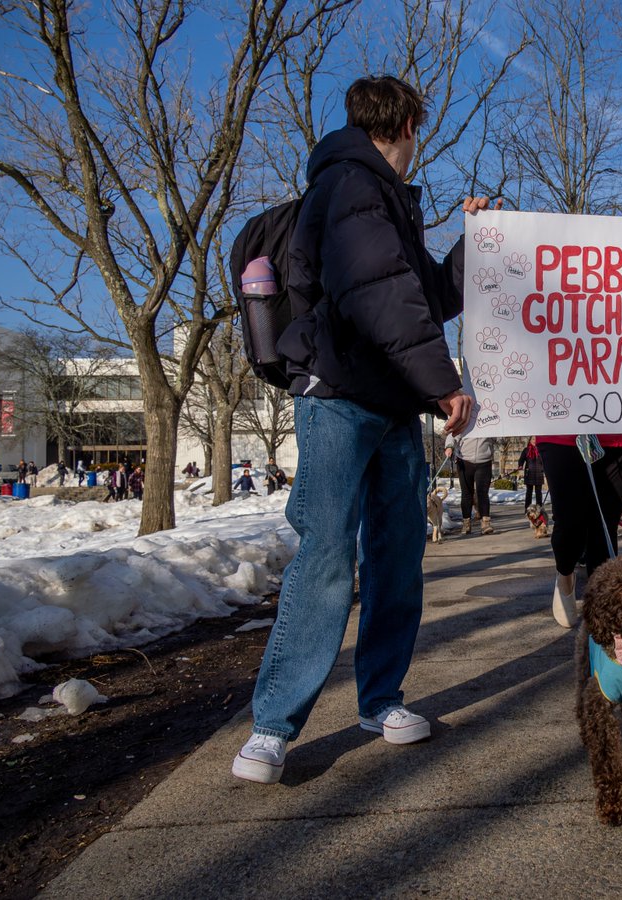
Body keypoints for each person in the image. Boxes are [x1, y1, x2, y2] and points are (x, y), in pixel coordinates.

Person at [231, 74, 493, 785]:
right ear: (411, 121)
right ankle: (273, 727)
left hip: (390, 405)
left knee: (397, 553)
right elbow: (378, 293)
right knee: (325, 556)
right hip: (338, 398)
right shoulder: (350, 186)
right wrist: (444, 382)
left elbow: (424, 297)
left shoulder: (386, 198)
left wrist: (474, 242)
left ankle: (381, 701)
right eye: (422, 125)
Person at [538, 432, 622, 628]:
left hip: (620, 429)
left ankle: (602, 601)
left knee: (605, 523)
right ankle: (565, 574)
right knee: (569, 521)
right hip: (561, 431)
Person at [445, 433, 497, 535]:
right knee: (466, 493)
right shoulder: (465, 418)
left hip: (484, 461)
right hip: (464, 460)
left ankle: (485, 523)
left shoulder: (490, 419)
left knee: (482, 493)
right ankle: (466, 523)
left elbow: (496, 436)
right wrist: (449, 446)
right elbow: (452, 434)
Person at [515, 437, 545, 509]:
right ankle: (527, 509)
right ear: (530, 440)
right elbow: (521, 459)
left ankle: (539, 509)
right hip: (529, 473)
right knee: (529, 492)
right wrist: (520, 465)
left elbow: (545, 460)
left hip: (539, 473)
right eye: (533, 439)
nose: (534, 441)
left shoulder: (541, 449)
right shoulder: (526, 450)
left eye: (536, 439)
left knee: (538, 493)